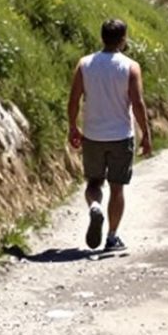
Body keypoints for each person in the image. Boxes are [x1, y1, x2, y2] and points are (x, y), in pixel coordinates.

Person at [67, 17, 152, 252]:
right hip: (121, 136)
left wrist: (73, 126)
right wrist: (146, 133)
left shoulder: (84, 64)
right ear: (123, 39)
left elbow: (74, 99)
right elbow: (137, 103)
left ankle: (95, 206)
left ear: (102, 37)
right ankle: (112, 237)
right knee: (117, 188)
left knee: (94, 183)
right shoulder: (130, 67)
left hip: (93, 135)